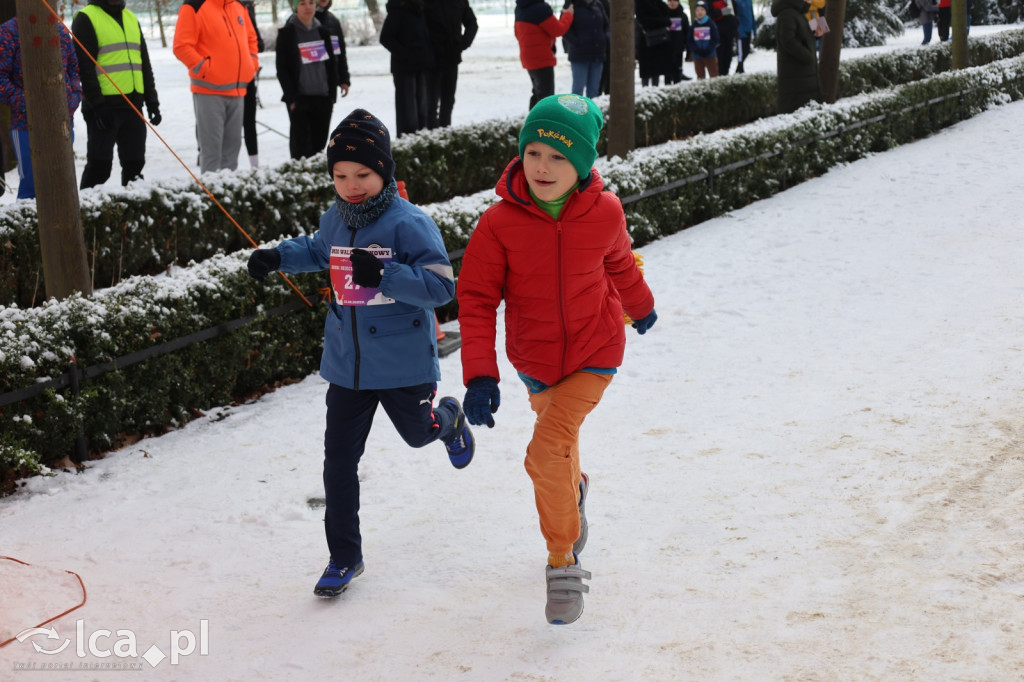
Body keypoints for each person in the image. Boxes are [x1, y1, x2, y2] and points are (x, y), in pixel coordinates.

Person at [245, 108, 474, 598]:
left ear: (384, 172)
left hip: (402, 365)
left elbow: (440, 289)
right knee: (337, 462)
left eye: (362, 175)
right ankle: (344, 556)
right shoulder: (336, 218)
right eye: (340, 176)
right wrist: (276, 256)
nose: (351, 185)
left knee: (418, 435)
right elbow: (316, 250)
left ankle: (449, 421)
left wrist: (385, 275)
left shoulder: (410, 224)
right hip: (346, 366)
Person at [456, 94, 657, 625]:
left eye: (558, 157)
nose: (542, 167)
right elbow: (476, 300)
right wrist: (480, 374)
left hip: (597, 350)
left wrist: (641, 306)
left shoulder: (606, 211)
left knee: (544, 455)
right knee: (560, 455)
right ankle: (577, 489)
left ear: (584, 163)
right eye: (534, 152)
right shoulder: (498, 225)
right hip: (535, 361)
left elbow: (619, 264)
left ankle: (562, 562)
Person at [72, 0, 159, 190]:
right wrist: (97, 104)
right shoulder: (86, 18)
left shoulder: (130, 18)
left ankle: (130, 215)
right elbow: (84, 67)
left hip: (133, 103)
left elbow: (143, 62)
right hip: (103, 108)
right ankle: (86, 212)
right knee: (99, 168)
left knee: (134, 166)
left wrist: (152, 100)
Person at [173, 0, 259, 173]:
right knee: (211, 152)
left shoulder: (238, 6)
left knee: (232, 151)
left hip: (238, 90)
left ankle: (227, 195)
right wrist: (205, 69)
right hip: (208, 91)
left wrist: (252, 65)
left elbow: (251, 39)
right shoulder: (194, 6)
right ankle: (211, 195)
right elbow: (181, 46)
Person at [0, 17, 82, 200]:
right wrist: (31, 104)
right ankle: (30, 227)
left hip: (63, 122)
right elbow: (1, 80)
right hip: (26, 125)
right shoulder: (9, 31)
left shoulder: (59, 29)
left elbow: (74, 69)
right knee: (32, 187)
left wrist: (73, 97)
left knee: (62, 184)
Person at [276, 0, 339, 160]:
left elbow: (331, 64)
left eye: (311, 2)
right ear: (295, 7)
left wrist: (332, 94)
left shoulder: (323, 32)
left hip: (323, 97)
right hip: (300, 99)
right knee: (300, 148)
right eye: (302, 3)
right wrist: (291, 98)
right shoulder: (287, 33)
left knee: (319, 145)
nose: (308, 7)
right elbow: (282, 69)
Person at [380, 0, 435, 137]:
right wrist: (406, 54)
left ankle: (420, 140)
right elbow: (386, 38)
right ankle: (407, 142)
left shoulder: (420, 10)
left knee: (422, 111)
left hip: (420, 67)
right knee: (408, 114)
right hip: (404, 69)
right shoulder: (397, 10)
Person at [423, 0, 478, 129]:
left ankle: (445, 134)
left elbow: (472, 23)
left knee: (448, 102)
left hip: (451, 58)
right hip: (431, 60)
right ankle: (431, 137)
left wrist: (463, 43)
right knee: (430, 103)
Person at [514, 0, 574, 108]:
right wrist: (568, 15)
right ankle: (542, 123)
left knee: (537, 93)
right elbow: (558, 30)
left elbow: (517, 33)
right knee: (546, 97)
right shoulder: (540, 8)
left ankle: (532, 121)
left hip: (527, 58)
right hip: (542, 59)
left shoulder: (520, 8)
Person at [771, 0, 821, 114]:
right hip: (796, 77)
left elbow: (807, 36)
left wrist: (815, 34)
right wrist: (808, 56)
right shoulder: (787, 14)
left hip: (805, 76)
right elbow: (788, 41)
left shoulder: (801, 12)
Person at [562, 0, 608, 98]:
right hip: (579, 56)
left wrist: (604, 39)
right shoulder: (571, 4)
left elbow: (606, 25)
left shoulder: (598, 4)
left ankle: (591, 112)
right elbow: (564, 28)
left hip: (597, 54)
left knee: (594, 90)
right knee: (578, 90)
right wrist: (576, 42)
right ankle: (575, 113)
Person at [241, 0, 264, 168]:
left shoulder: (244, 7)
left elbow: (255, 41)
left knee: (249, 122)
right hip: (219, 80)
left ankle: (254, 165)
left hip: (246, 77)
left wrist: (252, 64)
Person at [315, 0, 352, 99]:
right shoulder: (299, 21)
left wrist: (344, 79)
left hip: (330, 83)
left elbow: (340, 53)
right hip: (307, 87)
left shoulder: (333, 21)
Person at [636, 0, 672, 87]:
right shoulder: (640, 3)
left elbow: (667, 17)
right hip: (646, 39)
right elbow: (643, 20)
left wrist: (663, 22)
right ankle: (646, 91)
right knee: (646, 71)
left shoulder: (659, 4)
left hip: (659, 40)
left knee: (656, 70)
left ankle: (655, 89)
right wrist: (662, 22)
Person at [688, 1, 720, 80]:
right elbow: (689, 40)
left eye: (702, 10)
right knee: (700, 77)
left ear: (706, 11)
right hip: (698, 55)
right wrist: (696, 50)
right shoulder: (693, 25)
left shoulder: (711, 24)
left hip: (710, 54)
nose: (700, 12)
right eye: (697, 10)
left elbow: (715, 39)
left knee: (714, 75)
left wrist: (709, 49)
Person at [709, 0, 738, 76]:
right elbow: (708, 14)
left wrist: (736, 23)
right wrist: (721, 12)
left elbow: (735, 13)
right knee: (720, 56)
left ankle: (725, 74)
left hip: (730, 32)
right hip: (718, 33)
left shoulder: (730, 1)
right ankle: (719, 76)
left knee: (728, 55)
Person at [665, 0, 691, 83]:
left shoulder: (683, 16)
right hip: (666, 48)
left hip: (678, 48)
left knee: (677, 73)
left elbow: (687, 33)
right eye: (670, 1)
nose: (672, 3)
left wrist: (688, 49)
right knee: (667, 73)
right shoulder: (663, 15)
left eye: (674, 1)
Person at [733, 0, 755, 73]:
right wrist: (738, 29)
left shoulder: (749, 1)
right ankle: (740, 69)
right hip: (740, 31)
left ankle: (739, 68)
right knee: (741, 52)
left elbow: (752, 14)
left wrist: (754, 29)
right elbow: (735, 16)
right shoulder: (736, 2)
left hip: (748, 30)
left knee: (747, 50)